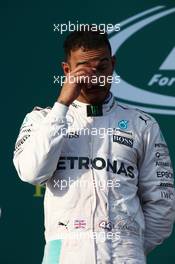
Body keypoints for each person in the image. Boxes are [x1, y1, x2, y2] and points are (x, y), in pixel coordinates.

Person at [13, 28, 175, 264]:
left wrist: (128, 247)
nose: (95, 77)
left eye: (102, 67)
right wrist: (62, 106)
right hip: (64, 257)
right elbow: (32, 173)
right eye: (84, 69)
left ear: (113, 65)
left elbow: (162, 202)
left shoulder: (142, 124)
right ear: (67, 70)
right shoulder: (41, 120)